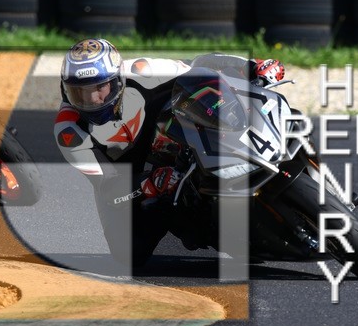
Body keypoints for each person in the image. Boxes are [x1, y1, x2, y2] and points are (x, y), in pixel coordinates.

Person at [54, 38, 285, 272]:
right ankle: (188, 219)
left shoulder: (142, 71)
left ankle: (258, 139)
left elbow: (199, 64)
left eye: (99, 88)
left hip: (173, 133)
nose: (92, 100)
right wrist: (149, 184)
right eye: (79, 93)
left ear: (118, 80)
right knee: (128, 254)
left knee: (201, 86)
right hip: (132, 177)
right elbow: (108, 186)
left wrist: (251, 66)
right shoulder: (69, 132)